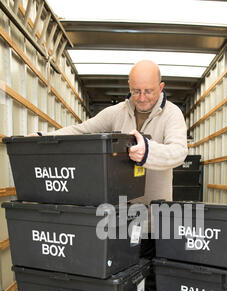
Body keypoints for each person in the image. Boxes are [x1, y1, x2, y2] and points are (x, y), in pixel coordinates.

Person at [31, 60, 188, 204]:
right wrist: (42, 137)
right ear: (129, 86)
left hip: (157, 215)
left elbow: (179, 152)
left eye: (148, 91)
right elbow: (81, 130)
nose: (141, 98)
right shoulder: (116, 112)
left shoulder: (172, 114)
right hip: (121, 214)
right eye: (136, 91)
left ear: (161, 88)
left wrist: (148, 151)